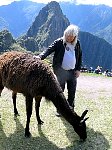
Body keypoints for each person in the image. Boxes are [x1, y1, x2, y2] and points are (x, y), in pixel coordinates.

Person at [38, 24, 82, 116]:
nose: (69, 38)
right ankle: (60, 110)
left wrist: (78, 69)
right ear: (65, 34)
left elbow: (79, 56)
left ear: (75, 37)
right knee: (60, 92)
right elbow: (49, 49)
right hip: (61, 71)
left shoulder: (77, 44)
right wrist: (40, 57)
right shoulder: (59, 42)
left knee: (72, 92)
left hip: (72, 72)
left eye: (71, 36)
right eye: (67, 35)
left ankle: (70, 110)